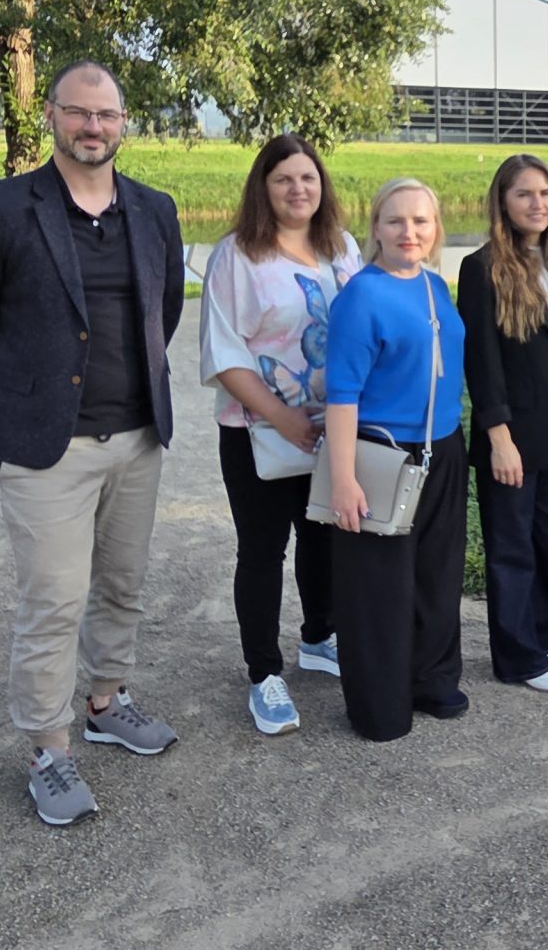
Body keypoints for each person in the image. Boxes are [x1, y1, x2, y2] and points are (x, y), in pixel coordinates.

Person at [0, 59, 185, 826]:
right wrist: (21, 391)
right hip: (48, 448)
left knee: (122, 583)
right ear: (52, 115)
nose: (92, 126)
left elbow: (166, 310)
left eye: (106, 114)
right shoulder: (0, 208)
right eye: (78, 112)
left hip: (137, 437)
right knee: (53, 600)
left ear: (123, 122)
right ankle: (48, 749)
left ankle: (107, 701)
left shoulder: (154, 210)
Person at [198, 134, 359, 736]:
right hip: (258, 431)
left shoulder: (342, 248)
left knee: (323, 539)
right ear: (263, 188)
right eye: (284, 179)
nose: (298, 189)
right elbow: (224, 352)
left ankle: (319, 636)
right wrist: (282, 416)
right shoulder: (237, 256)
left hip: (331, 429)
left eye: (308, 177)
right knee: (264, 551)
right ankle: (264, 673)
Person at [322, 177, 470, 742]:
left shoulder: (435, 285)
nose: (409, 231)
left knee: (438, 573)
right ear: (376, 229)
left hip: (443, 448)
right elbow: (342, 396)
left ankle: (432, 679)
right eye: (396, 221)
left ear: (436, 229)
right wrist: (343, 480)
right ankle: (379, 704)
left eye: (421, 221)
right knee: (379, 587)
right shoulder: (361, 296)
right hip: (384, 454)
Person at [458, 155, 548, 692]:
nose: (538, 203)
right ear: (503, 202)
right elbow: (482, 361)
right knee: (511, 547)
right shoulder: (482, 266)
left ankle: (543, 640)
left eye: (546, 193)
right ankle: (516, 659)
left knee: (543, 542)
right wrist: (498, 437)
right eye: (524, 194)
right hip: (511, 437)